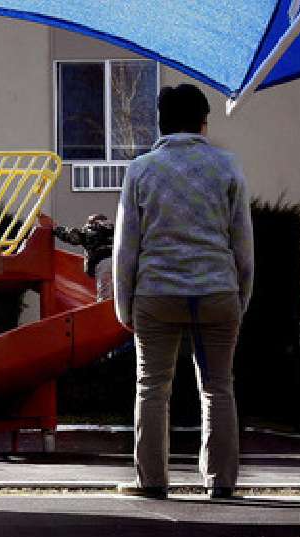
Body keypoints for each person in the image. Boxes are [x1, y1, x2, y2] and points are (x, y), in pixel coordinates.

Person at [112, 83, 254, 501]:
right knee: (217, 387)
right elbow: (242, 242)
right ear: (204, 122)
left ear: (160, 124)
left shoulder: (141, 169)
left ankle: (152, 480)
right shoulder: (227, 167)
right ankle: (221, 481)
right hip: (216, 289)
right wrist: (239, 298)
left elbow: (126, 246)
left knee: (152, 386)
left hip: (156, 292)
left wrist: (125, 303)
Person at [54, 213, 115, 300]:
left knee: (104, 295)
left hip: (102, 262)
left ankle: (103, 310)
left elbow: (73, 237)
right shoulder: (114, 230)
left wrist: (56, 229)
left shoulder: (91, 229)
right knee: (118, 292)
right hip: (119, 262)